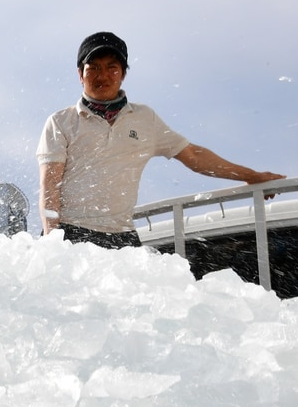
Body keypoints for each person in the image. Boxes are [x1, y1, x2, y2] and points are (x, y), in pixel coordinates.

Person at [37, 31, 285, 249]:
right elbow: (50, 184)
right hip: (71, 232)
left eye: (112, 67)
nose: (103, 75)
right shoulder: (61, 121)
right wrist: (52, 237)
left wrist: (250, 176)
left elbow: (194, 157)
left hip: (122, 238)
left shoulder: (145, 119)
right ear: (80, 74)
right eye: (94, 68)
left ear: (123, 74)